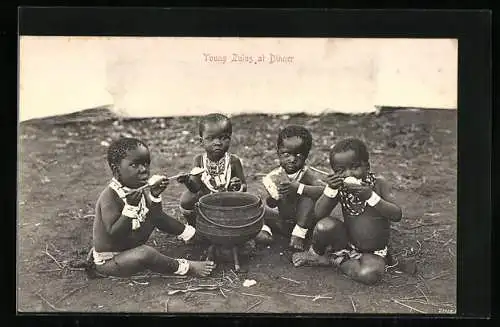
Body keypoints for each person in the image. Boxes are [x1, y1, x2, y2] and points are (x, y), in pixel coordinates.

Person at [90, 137, 215, 277]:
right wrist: (130, 208)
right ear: (116, 169)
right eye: (134, 165)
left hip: (130, 247)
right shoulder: (110, 197)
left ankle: (193, 236)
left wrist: (155, 196)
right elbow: (116, 234)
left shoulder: (136, 188)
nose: (143, 170)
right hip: (111, 261)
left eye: (146, 164)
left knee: (155, 219)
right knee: (146, 253)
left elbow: (157, 218)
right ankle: (186, 267)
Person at [292, 138, 402, 285]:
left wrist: (371, 197)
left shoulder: (379, 184)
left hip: (373, 251)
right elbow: (318, 214)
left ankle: (333, 260)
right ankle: (316, 254)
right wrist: (331, 190)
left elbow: (396, 214)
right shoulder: (340, 188)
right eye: (340, 171)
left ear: (367, 166)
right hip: (347, 243)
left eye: (355, 167)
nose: (349, 174)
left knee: (369, 274)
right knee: (324, 226)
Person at [257, 125, 325, 251]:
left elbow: (324, 191)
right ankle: (265, 231)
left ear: (306, 155)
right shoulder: (275, 175)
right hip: (284, 221)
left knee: (307, 199)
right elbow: (271, 204)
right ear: (278, 153)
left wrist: (299, 188)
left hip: (304, 223)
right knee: (258, 207)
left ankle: (298, 235)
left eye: (298, 155)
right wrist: (273, 199)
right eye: (286, 154)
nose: (292, 159)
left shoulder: (306, 173)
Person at [178, 113, 247, 227]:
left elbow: (244, 187)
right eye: (210, 138)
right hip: (205, 198)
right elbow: (195, 188)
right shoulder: (199, 160)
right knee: (186, 199)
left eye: (223, 138)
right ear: (201, 141)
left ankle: (230, 226)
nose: (218, 143)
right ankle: (193, 226)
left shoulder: (233, 161)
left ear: (230, 138)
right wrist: (187, 181)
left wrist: (237, 186)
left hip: (228, 198)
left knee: (244, 203)